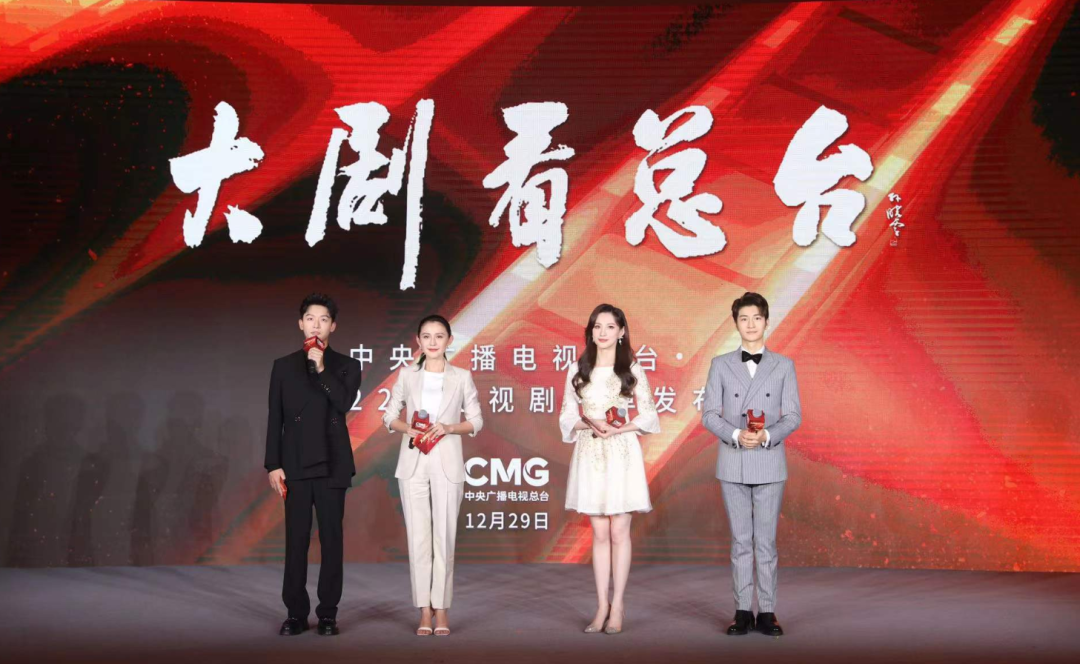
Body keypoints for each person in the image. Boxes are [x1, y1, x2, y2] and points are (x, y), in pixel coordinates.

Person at [701, 292, 802, 637]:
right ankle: (743, 611)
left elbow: (793, 416)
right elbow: (709, 414)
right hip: (733, 460)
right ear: (736, 324)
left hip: (769, 460)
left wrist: (766, 435)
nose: (750, 324)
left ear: (766, 321)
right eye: (744, 318)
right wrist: (735, 434)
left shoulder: (783, 365)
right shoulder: (720, 364)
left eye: (756, 318)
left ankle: (768, 611)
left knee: (766, 542)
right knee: (741, 541)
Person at [558, 303, 660, 635]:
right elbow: (566, 415)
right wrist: (589, 424)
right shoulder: (578, 369)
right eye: (597, 327)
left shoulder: (631, 368)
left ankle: (618, 605)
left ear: (621, 332)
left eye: (610, 327)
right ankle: (601, 605)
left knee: (619, 532)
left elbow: (649, 413)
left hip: (621, 453)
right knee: (599, 533)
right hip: (591, 452)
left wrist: (620, 428)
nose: (602, 333)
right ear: (590, 332)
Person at [265, 293, 362, 636]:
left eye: (323, 319)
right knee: (296, 540)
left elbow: (344, 402)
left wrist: (320, 367)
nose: (316, 325)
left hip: (333, 463)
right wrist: (273, 464)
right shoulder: (283, 366)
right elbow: (275, 417)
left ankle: (328, 614)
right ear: (300, 324)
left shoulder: (348, 365)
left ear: (333, 326)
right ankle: (295, 613)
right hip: (294, 464)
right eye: (310, 318)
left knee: (332, 540)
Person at [382, 314, 484, 636]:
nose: (433, 342)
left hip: (447, 462)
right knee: (419, 539)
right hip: (413, 461)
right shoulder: (407, 375)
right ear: (418, 341)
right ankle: (423, 610)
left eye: (439, 336)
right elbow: (388, 416)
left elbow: (476, 420)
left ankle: (442, 609)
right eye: (426, 336)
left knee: (444, 537)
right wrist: (407, 428)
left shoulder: (462, 377)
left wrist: (448, 428)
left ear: (449, 340)